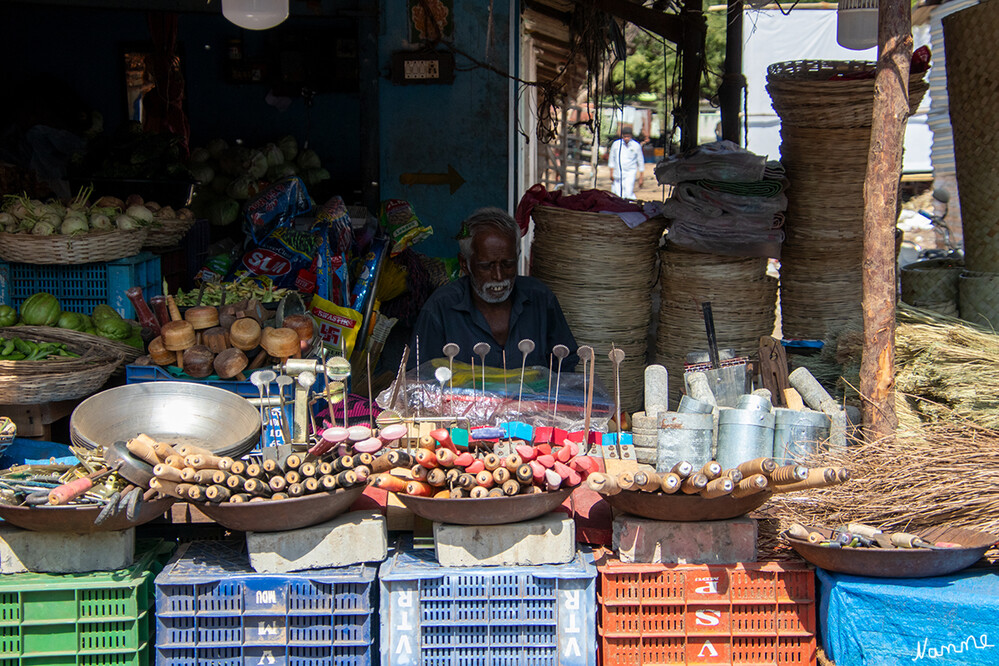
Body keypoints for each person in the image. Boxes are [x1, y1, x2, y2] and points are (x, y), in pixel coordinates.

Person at [409, 207, 578, 373]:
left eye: (508, 264)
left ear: (517, 257)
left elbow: (566, 368)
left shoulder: (540, 299)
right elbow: (420, 379)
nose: (498, 276)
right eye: (486, 266)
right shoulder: (440, 308)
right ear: (464, 264)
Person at [608, 125, 645, 199]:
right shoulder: (616, 144)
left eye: (628, 136)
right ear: (622, 136)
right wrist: (611, 173)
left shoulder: (636, 146)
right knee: (618, 195)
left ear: (631, 136)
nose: (626, 138)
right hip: (618, 172)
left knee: (628, 193)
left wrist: (641, 177)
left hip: (630, 172)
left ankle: (630, 208)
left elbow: (640, 161)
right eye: (625, 136)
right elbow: (611, 159)